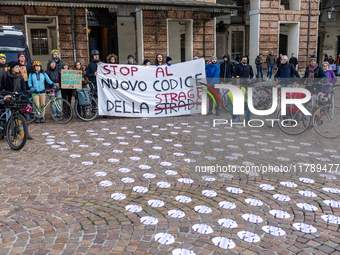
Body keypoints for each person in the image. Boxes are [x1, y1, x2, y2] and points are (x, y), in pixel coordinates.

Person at [0, 61, 33, 139]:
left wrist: (16, 94)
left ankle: (26, 132)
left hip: (17, 98)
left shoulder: (21, 77)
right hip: (7, 98)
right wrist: (6, 95)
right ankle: (6, 129)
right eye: (17, 67)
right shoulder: (5, 77)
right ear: (12, 68)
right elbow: (1, 89)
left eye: (19, 67)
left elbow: (24, 89)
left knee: (22, 114)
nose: (19, 68)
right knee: (6, 114)